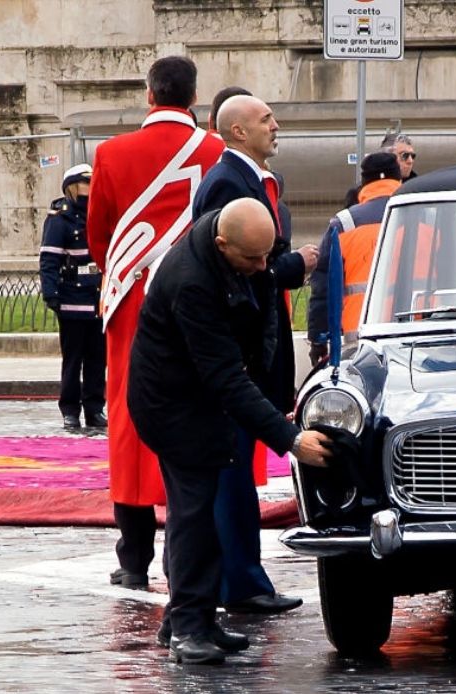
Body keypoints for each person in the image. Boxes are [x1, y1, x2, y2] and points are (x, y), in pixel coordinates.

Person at [128, 198, 334, 665]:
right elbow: (225, 378)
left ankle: (189, 618)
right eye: (253, 260)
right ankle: (188, 628)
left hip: (198, 397)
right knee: (195, 514)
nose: (263, 268)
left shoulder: (228, 252)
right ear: (223, 245)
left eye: (269, 256)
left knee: (204, 513)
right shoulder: (192, 283)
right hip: (173, 406)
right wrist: (290, 440)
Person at [86, 56, 225, 589]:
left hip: (132, 298)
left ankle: (133, 556)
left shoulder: (111, 152)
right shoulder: (216, 151)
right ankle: (185, 555)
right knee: (197, 407)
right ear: (192, 97)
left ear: (149, 94)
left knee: (127, 416)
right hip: (198, 297)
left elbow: (100, 235)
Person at [190, 93, 316, 616]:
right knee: (231, 475)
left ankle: (239, 580)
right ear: (238, 132)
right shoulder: (226, 183)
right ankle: (239, 584)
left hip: (254, 349)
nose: (276, 124)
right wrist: (294, 266)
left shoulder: (257, 181)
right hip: (237, 355)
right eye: (265, 119)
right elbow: (239, 272)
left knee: (239, 474)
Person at [307, 152, 403, 364]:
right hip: (415, 334)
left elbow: (323, 289)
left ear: (364, 182)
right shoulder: (426, 216)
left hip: (358, 341)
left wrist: (318, 340)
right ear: (399, 179)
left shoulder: (344, 223)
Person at [39, 164, 106, 431]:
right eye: (86, 184)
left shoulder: (101, 215)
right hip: (71, 296)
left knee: (97, 359)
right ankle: (69, 409)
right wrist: (51, 292)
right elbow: (49, 258)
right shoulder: (60, 219)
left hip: (97, 297)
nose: (91, 190)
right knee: (73, 358)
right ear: (72, 187)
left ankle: (94, 408)